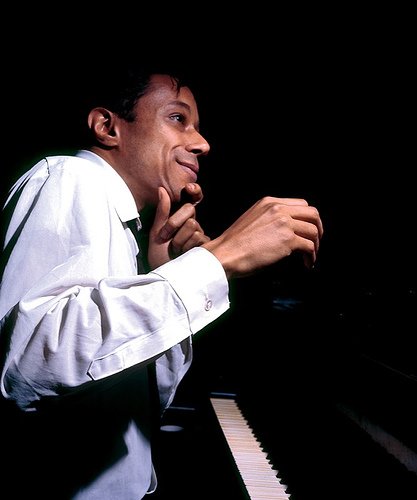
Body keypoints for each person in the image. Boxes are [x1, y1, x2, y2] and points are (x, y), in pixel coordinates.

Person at [0, 62, 323, 499]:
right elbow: (27, 366)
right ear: (107, 127)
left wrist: (162, 273)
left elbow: (138, 402)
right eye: (177, 118)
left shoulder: (124, 224)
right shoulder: (70, 177)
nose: (202, 143)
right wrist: (216, 260)